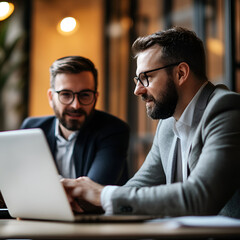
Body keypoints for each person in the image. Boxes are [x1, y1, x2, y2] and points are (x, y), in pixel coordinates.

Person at [61, 27, 240, 218]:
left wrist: (102, 194)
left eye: (146, 78)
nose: (137, 90)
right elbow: (137, 188)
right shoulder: (168, 124)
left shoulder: (227, 110)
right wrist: (79, 197)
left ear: (181, 73)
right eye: (137, 79)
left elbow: (200, 197)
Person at [21, 56, 130, 186]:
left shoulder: (114, 130)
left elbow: (93, 190)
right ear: (51, 97)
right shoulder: (32, 129)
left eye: (85, 95)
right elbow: (20, 180)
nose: (76, 105)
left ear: (95, 97)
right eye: (66, 94)